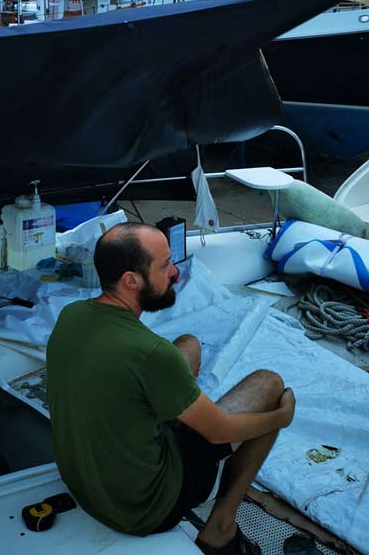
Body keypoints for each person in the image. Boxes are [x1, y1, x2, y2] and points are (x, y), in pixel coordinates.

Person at [47, 221, 296, 555]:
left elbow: (150, 363)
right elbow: (219, 432)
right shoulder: (152, 355)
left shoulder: (71, 315)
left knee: (189, 344)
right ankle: (221, 527)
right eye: (164, 265)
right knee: (271, 385)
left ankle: (177, 415)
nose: (176, 273)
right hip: (145, 506)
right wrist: (281, 417)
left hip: (85, 486)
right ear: (131, 281)